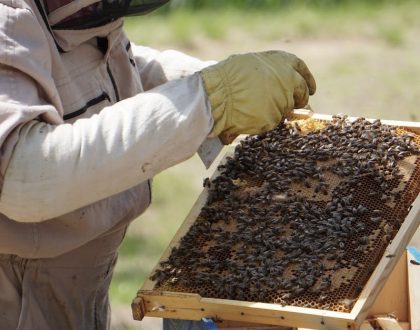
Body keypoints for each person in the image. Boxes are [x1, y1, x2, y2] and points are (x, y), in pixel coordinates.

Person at [0, 0, 316, 328]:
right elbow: (23, 174)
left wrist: (195, 79)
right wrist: (209, 99)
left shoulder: (72, 15)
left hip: (68, 293)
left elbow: (97, 67)